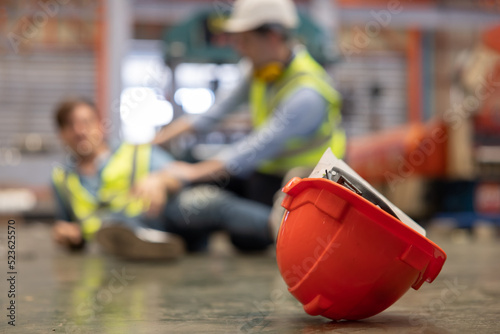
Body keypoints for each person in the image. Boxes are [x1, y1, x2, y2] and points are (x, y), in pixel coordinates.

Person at [154, 0, 346, 206]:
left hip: (308, 188)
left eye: (245, 41)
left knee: (215, 206)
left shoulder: (307, 94)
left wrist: (191, 173)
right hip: (269, 175)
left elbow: (255, 148)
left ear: (272, 37)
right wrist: (153, 143)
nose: (240, 50)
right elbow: (212, 114)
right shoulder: (257, 71)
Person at [51, 97, 274, 259]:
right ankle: (137, 238)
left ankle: (280, 226)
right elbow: (68, 227)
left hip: (162, 217)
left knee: (207, 201)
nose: (80, 131)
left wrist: (159, 180)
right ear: (61, 134)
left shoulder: (134, 151)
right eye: (71, 125)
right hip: (109, 239)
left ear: (100, 125)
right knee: (118, 228)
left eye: (86, 122)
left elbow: (180, 176)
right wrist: (68, 235)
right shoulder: (62, 179)